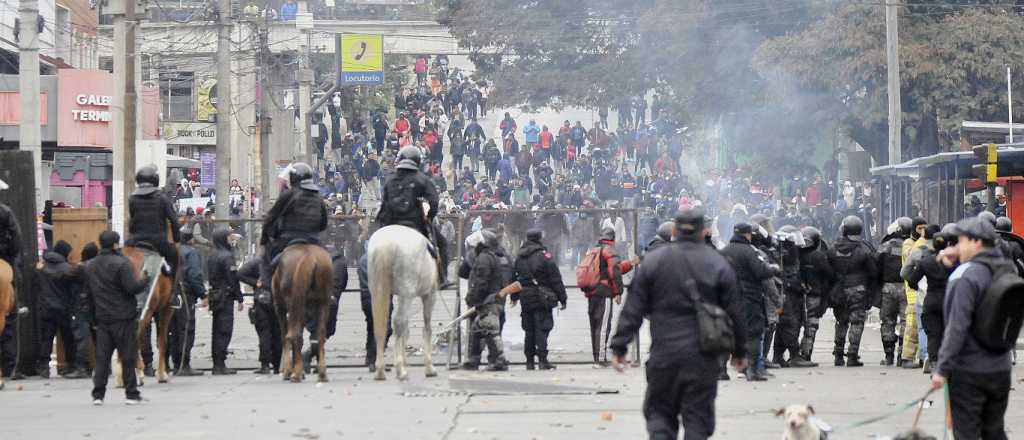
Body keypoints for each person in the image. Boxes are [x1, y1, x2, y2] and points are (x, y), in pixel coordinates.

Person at [609, 208, 747, 440]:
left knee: (660, 415)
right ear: (704, 231)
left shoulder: (654, 261)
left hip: (664, 356)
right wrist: (740, 352)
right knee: (697, 419)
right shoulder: (718, 263)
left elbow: (633, 308)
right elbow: (736, 312)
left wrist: (619, 347)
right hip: (703, 358)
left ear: (674, 230)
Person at [931, 216, 1013, 439]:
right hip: (1000, 368)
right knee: (994, 431)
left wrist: (942, 369)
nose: (957, 246)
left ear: (976, 242)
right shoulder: (1007, 269)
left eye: (961, 241)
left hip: (969, 371)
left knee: (966, 433)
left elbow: (957, 327)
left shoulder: (964, 277)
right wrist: (959, 257)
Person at [84, 231, 151, 405]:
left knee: (102, 358)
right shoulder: (122, 263)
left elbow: (88, 295)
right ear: (115, 244)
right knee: (128, 356)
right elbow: (131, 288)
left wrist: (92, 319)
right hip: (123, 317)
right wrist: (145, 280)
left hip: (102, 318)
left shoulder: (90, 265)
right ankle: (131, 394)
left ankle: (98, 395)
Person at [375, 146, 449, 286]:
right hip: (416, 223)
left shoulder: (390, 180)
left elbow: (384, 204)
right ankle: (441, 278)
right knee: (442, 244)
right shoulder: (422, 179)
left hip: (391, 223)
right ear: (417, 161)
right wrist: (429, 218)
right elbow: (433, 202)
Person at [721, 223, 781, 381]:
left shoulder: (724, 251)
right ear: (748, 235)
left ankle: (721, 370)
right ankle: (752, 370)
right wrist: (773, 269)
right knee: (753, 333)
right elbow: (760, 271)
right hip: (748, 299)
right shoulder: (749, 251)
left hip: (727, 299)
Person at [260, 162, 329, 287]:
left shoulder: (288, 194)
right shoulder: (318, 197)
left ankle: (265, 291)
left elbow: (271, 217)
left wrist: (264, 239)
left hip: (288, 239)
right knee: (330, 261)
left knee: (266, 261)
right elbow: (324, 224)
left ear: (293, 178)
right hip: (313, 240)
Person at [511, 229, 568, 370]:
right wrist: (563, 298)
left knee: (529, 330)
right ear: (539, 238)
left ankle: (529, 361)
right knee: (542, 328)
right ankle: (542, 360)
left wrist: (514, 296)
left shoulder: (519, 256)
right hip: (542, 296)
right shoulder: (544, 256)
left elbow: (513, 278)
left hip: (525, 295)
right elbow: (555, 278)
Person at [582, 226, 638, 367]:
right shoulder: (609, 250)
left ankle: (597, 357)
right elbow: (614, 271)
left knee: (594, 325)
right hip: (604, 292)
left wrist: (630, 264)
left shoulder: (593, 250)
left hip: (592, 292)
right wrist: (618, 292)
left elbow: (614, 268)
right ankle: (600, 359)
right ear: (613, 238)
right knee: (603, 326)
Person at [827, 216, 878, 367]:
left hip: (839, 290)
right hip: (858, 290)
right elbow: (873, 272)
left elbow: (827, 269)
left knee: (841, 321)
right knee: (856, 322)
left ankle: (838, 354)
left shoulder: (833, 248)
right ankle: (852, 355)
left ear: (844, 229)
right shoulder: (864, 249)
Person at [36, 240, 87, 378]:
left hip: (46, 308)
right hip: (64, 308)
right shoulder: (67, 268)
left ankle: (43, 368)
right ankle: (71, 365)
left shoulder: (42, 266)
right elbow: (79, 282)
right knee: (68, 338)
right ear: (64, 253)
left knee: (46, 339)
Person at [904, 224, 949, 375]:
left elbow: (911, 279)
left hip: (931, 299)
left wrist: (920, 289)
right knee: (948, 331)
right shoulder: (953, 261)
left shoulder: (926, 261)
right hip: (949, 301)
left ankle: (934, 362)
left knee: (933, 333)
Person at [462, 229, 511, 371]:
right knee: (477, 330)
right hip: (494, 299)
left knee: (490, 330)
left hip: (488, 301)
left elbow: (481, 282)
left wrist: (472, 298)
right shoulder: (496, 256)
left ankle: (499, 360)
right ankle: (474, 360)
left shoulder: (483, 258)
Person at [126, 165, 180, 278]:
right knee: (175, 256)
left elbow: (132, 221)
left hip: (135, 241)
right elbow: (174, 221)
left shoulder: (132, 199)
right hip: (159, 243)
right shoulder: (162, 198)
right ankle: (172, 285)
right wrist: (176, 239)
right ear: (156, 180)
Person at [206, 228, 243, 375]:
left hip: (215, 294)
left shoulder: (212, 255)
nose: (231, 240)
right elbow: (232, 279)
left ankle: (217, 362)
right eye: (229, 237)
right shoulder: (227, 257)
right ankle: (220, 364)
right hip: (225, 296)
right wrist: (239, 297)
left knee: (216, 329)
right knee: (224, 329)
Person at [238, 256, 281, 375]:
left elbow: (240, 273)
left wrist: (255, 283)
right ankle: (277, 365)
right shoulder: (283, 259)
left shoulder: (258, 261)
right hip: (278, 299)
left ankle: (265, 365)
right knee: (278, 333)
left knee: (264, 333)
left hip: (262, 299)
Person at [170, 230, 205, 376]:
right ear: (191, 240)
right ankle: (184, 364)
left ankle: (176, 363)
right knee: (186, 329)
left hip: (171, 294)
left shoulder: (172, 251)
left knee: (173, 330)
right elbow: (194, 274)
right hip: (186, 294)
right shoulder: (192, 253)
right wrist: (202, 293)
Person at [797, 226, 834, 364]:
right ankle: (805, 354)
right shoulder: (818, 256)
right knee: (811, 327)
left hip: (797, 296)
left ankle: (792, 354)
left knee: (793, 326)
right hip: (814, 296)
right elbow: (830, 274)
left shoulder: (795, 255)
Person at [877, 217, 911, 366]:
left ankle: (888, 355)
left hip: (888, 288)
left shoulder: (886, 246)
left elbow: (876, 266)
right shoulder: (912, 247)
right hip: (907, 288)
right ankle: (902, 356)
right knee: (906, 321)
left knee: (887, 321)